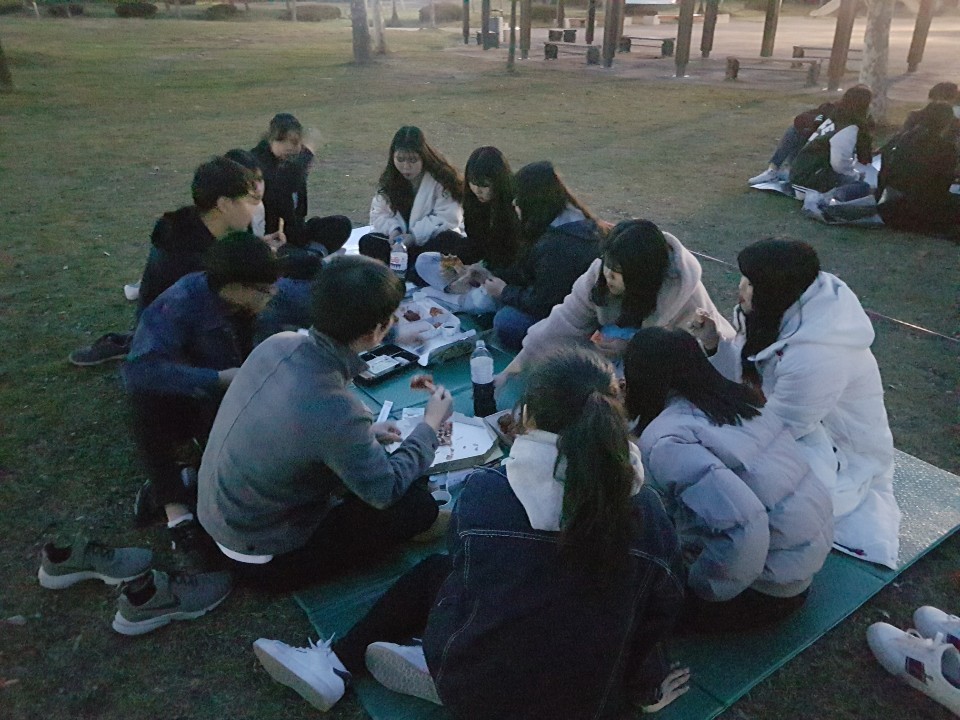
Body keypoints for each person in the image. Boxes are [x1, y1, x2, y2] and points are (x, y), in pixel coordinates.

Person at [251, 347, 689, 717]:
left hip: (476, 686)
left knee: (440, 574)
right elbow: (657, 615)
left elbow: (466, 587)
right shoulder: (650, 515)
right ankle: (436, 666)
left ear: (526, 415)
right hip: (588, 704)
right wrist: (645, 688)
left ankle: (357, 664)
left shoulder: (487, 493)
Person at [197, 255, 453, 592]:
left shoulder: (279, 344)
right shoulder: (335, 407)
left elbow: (298, 428)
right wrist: (430, 424)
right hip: (263, 553)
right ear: (377, 329)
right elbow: (385, 491)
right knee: (416, 507)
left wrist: (363, 434)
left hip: (217, 514)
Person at [691, 239, 901, 569]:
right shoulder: (776, 311)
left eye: (751, 283)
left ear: (774, 289)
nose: (740, 288)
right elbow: (750, 376)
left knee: (760, 486)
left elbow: (781, 430)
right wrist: (713, 343)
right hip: (792, 426)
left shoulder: (818, 354)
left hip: (838, 449)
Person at [623, 327, 833, 632]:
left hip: (760, 591)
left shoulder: (666, 440)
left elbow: (746, 526)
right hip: (798, 565)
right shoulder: (739, 401)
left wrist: (698, 586)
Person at [122, 232, 280, 567]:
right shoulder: (181, 302)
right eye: (264, 290)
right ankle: (176, 511)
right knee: (146, 405)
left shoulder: (252, 299)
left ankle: (202, 475)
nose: (271, 295)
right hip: (192, 395)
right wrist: (216, 379)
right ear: (234, 286)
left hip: (240, 392)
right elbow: (141, 370)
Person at [68, 156, 262, 366]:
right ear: (224, 204)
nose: (255, 209)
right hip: (169, 335)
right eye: (249, 201)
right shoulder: (187, 256)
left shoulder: (197, 226)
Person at [495, 218, 732, 384]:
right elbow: (562, 323)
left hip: (665, 372)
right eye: (607, 264)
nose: (608, 275)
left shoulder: (684, 298)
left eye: (618, 272)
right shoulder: (600, 273)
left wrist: (633, 349)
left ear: (642, 274)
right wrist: (511, 371)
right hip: (617, 357)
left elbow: (693, 366)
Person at [482, 161, 604, 351]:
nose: (514, 203)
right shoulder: (561, 220)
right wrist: (489, 271)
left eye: (518, 197)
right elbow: (529, 269)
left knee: (506, 321)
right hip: (559, 303)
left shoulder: (559, 245)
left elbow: (543, 302)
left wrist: (504, 291)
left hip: (573, 320)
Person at [413, 146, 520, 311]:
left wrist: (481, 268)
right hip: (473, 268)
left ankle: (450, 298)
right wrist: (457, 265)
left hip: (498, 274)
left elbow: (512, 258)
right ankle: (454, 291)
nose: (477, 190)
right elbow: (474, 243)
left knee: (486, 300)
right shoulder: (472, 202)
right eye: (473, 183)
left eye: (484, 185)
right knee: (424, 260)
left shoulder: (514, 208)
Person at [366, 126, 465, 279]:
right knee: (368, 242)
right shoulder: (389, 179)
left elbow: (448, 217)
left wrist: (414, 237)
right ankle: (412, 270)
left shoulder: (442, 178)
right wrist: (394, 230)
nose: (406, 167)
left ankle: (414, 270)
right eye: (400, 160)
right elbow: (378, 214)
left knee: (451, 240)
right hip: (399, 245)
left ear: (423, 157)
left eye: (413, 160)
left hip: (428, 244)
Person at [250, 113, 353, 259]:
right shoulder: (258, 163)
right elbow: (281, 186)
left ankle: (312, 254)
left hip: (297, 231)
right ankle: (307, 256)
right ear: (271, 140)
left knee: (341, 224)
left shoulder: (295, 160)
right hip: (271, 237)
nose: (289, 147)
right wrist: (306, 157)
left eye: (294, 142)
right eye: (282, 141)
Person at [876, 101, 960, 234]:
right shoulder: (945, 147)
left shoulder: (903, 138)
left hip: (888, 207)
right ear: (946, 122)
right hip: (917, 211)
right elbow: (941, 186)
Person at [788, 85, 876, 193]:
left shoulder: (836, 117)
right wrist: (854, 174)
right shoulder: (849, 127)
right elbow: (838, 163)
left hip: (801, 173)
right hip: (809, 179)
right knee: (864, 186)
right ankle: (826, 198)